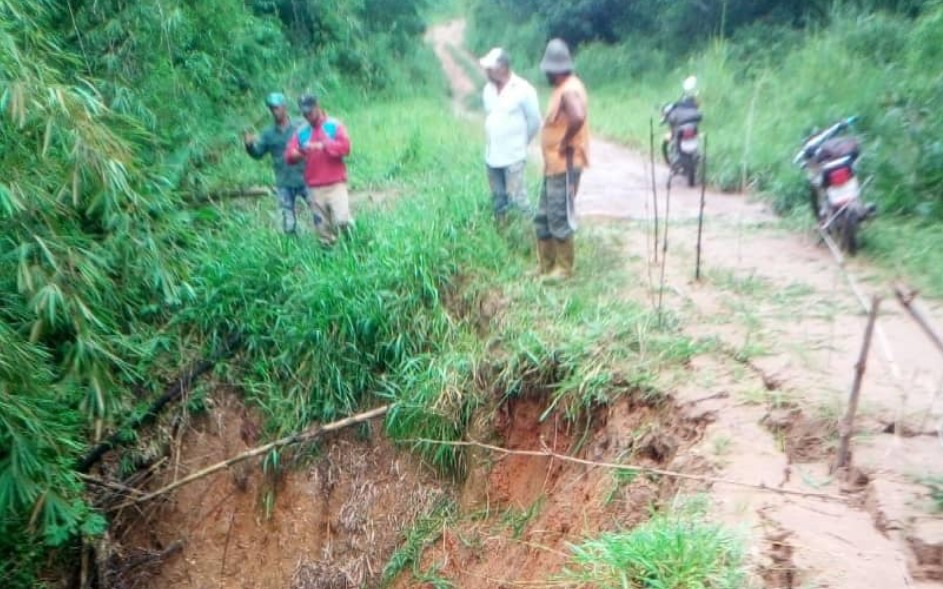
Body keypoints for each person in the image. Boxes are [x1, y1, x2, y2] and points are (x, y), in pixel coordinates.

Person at [534, 38, 589, 281]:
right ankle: (546, 265)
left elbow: (577, 116)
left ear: (553, 70)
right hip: (553, 167)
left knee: (558, 215)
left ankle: (564, 269)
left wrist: (566, 141)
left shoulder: (568, 90)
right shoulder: (566, 87)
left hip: (564, 165)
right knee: (543, 215)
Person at [479, 47, 541, 222]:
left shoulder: (523, 89)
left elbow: (534, 121)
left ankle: (530, 231)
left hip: (513, 156)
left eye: (491, 68)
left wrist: (522, 143)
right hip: (492, 156)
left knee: (517, 200)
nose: (487, 72)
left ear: (503, 67)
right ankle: (503, 234)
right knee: (498, 200)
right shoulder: (487, 90)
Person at [285, 94, 352, 246]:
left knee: (343, 220)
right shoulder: (301, 132)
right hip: (315, 187)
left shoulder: (334, 126)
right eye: (304, 113)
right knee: (323, 231)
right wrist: (298, 153)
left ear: (318, 107)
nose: (307, 116)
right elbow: (289, 155)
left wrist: (324, 145)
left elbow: (346, 148)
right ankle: (329, 259)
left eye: (310, 112)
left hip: (336, 183)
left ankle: (353, 246)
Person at [244, 92, 307, 234]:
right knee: (288, 223)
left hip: (305, 178)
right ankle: (291, 250)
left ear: (284, 107)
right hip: (284, 182)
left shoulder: (300, 126)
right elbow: (258, 154)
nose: (275, 111)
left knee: (319, 212)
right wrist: (249, 146)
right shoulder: (268, 134)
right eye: (272, 108)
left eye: (277, 107)